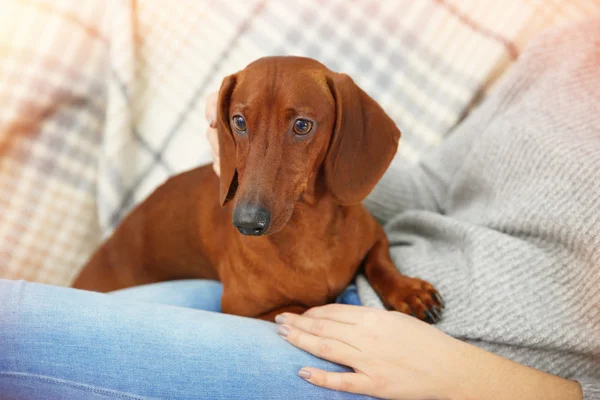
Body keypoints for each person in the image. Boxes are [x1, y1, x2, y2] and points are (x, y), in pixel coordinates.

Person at [1, 19, 599, 400]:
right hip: (291, 299)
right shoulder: (572, 42)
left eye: (302, 127)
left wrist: (471, 381)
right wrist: (251, 157)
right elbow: (432, 191)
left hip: (400, 373)